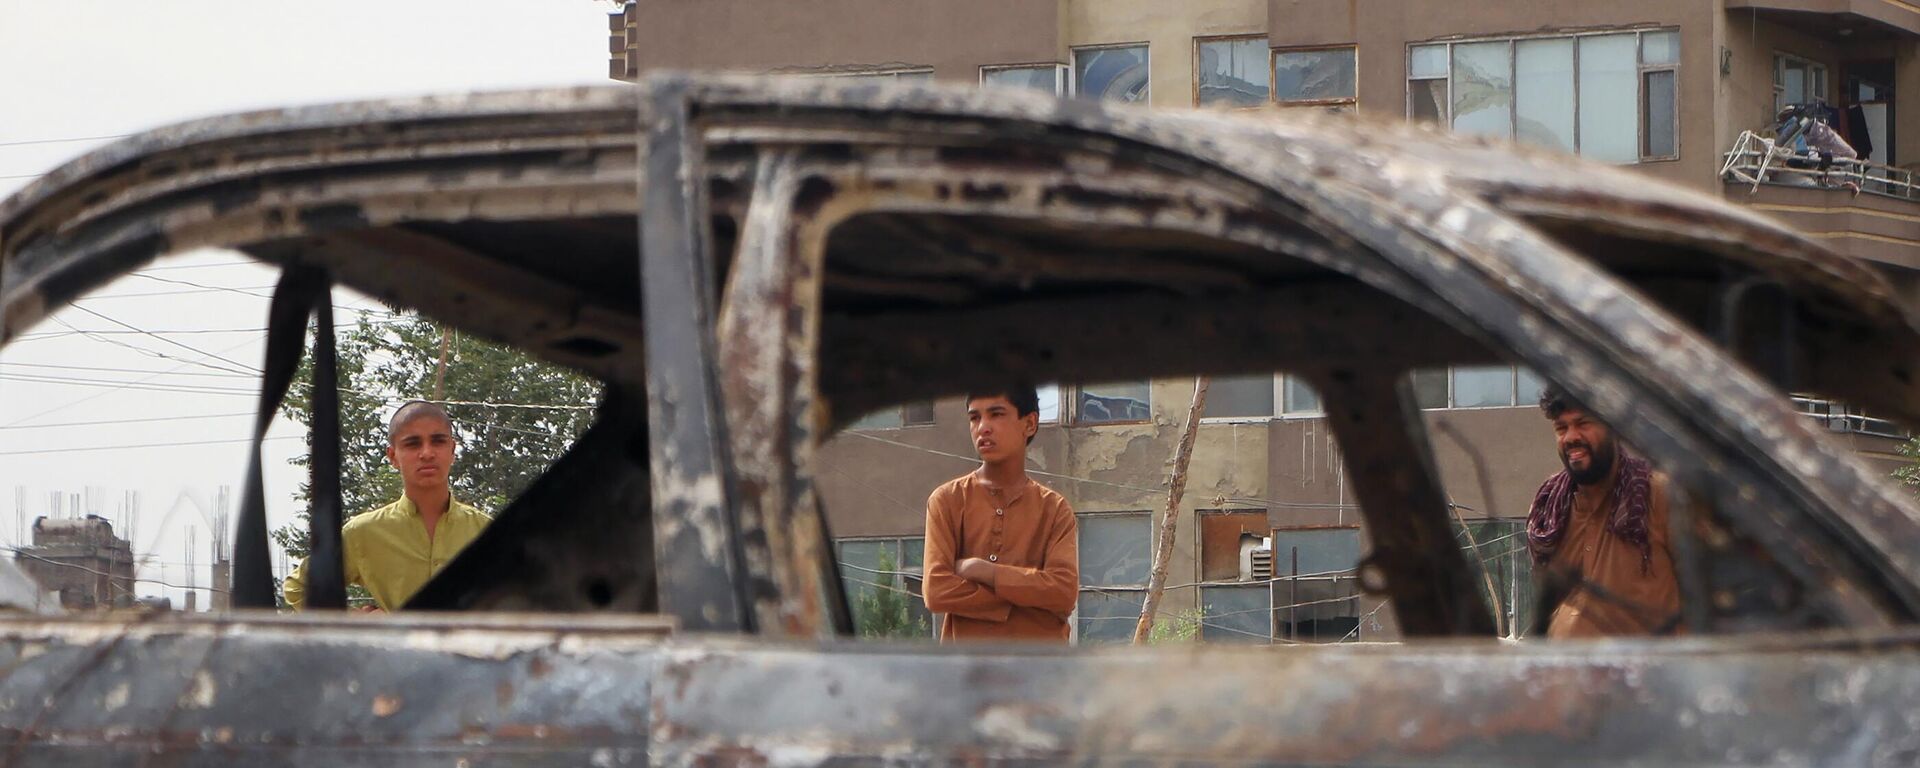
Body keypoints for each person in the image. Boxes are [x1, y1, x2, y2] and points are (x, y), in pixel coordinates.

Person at [283, 401, 491, 612]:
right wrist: (357, 622)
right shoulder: (364, 532)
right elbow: (299, 588)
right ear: (393, 456)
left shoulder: (484, 530)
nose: (427, 453)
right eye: (413, 444)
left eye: (438, 441)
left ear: (452, 450)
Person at [921, 385, 1079, 642]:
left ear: (1029, 423)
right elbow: (937, 590)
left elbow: (1063, 592)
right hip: (968, 673)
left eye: (996, 414)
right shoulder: (947, 500)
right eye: (975, 417)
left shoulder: (1054, 510)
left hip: (1040, 671)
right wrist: (1023, 603)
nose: (983, 427)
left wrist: (986, 572)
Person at [1525, 385, 1681, 638]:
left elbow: (1707, 597)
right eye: (1561, 428)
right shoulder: (1550, 509)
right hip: (1565, 674)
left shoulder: (1658, 496)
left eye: (1583, 423)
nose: (1571, 437)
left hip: (1649, 674)